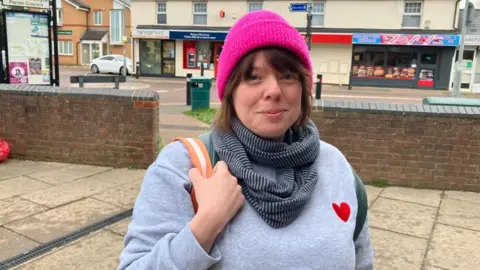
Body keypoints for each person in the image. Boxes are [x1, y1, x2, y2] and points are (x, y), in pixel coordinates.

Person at [117, 10, 374, 270]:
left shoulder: (336, 166)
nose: (274, 91)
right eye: (253, 77)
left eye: (287, 75)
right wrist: (206, 225)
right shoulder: (184, 165)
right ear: (230, 90)